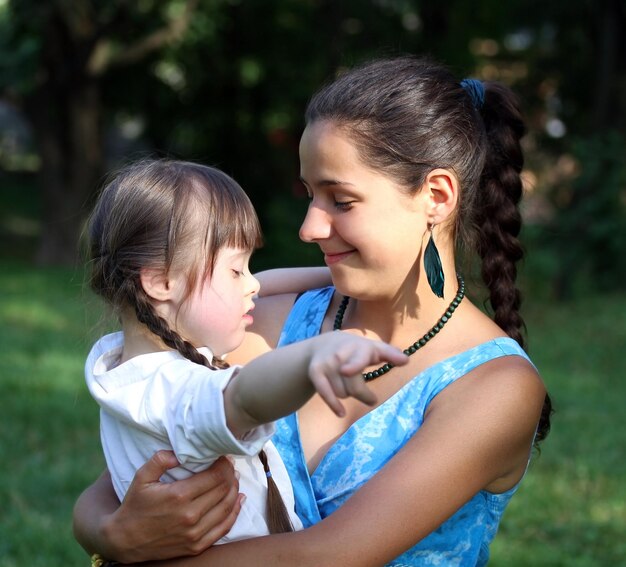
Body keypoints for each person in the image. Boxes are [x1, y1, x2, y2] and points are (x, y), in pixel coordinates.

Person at [74, 56, 552, 566]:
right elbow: (132, 454)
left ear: (435, 196)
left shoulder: (493, 387)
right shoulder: (265, 323)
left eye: (340, 201)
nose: (309, 228)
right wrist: (113, 534)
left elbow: (326, 557)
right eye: (309, 195)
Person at [82, 158, 408, 548]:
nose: (253, 285)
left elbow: (266, 286)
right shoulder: (176, 391)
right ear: (161, 282)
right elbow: (245, 398)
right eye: (236, 271)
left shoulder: (123, 365)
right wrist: (312, 357)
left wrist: (341, 277)